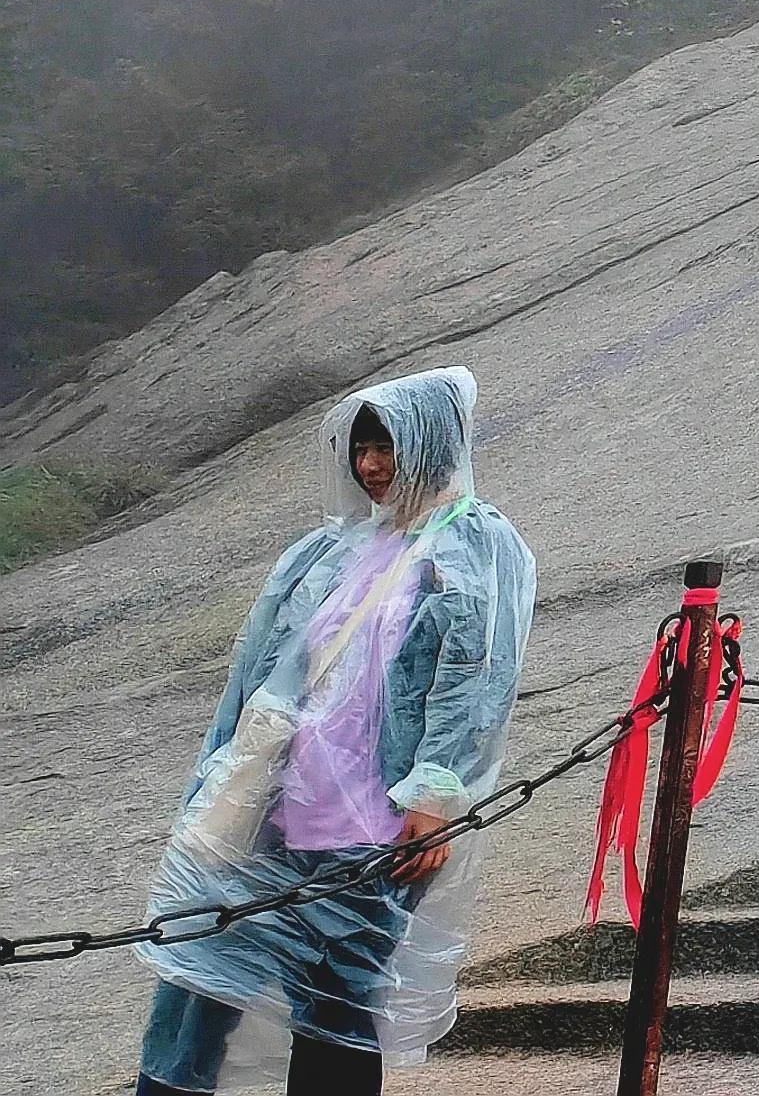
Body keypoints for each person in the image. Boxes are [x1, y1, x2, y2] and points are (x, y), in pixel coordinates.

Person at [133, 368, 536, 1096]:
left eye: (386, 444)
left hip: (372, 829)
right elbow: (256, 674)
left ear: (433, 441)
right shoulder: (328, 550)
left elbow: (476, 676)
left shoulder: (477, 544)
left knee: (335, 1012)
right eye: (360, 448)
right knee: (193, 986)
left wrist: (437, 795)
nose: (370, 465)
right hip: (269, 814)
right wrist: (214, 781)